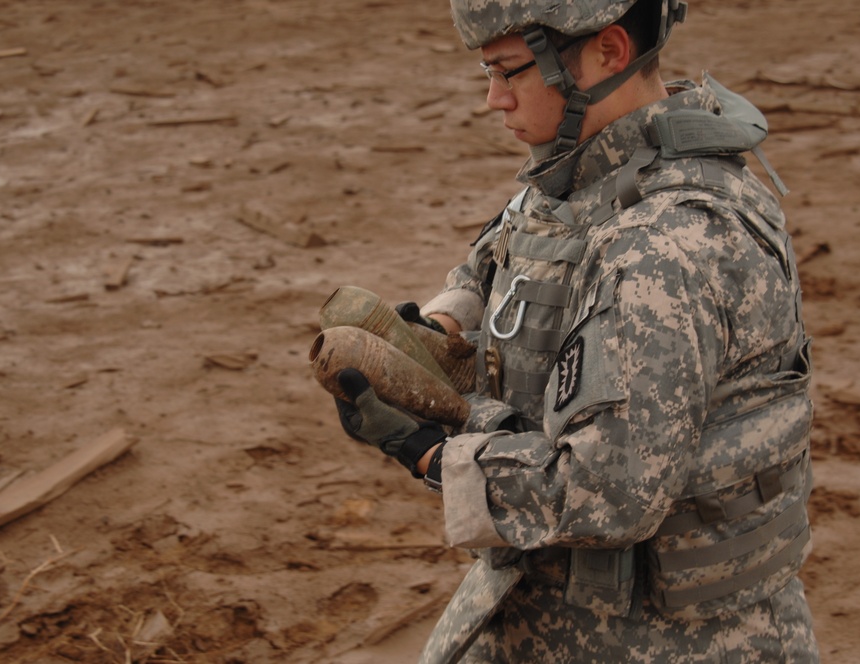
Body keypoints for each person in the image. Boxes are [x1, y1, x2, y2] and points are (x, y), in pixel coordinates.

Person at [331, 0, 819, 661]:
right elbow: (510, 242)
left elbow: (609, 490)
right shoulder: (597, 165)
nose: (493, 99)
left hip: (661, 640)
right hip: (558, 602)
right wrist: (443, 326)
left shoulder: (663, 249)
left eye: (510, 72)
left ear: (609, 52)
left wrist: (432, 455)